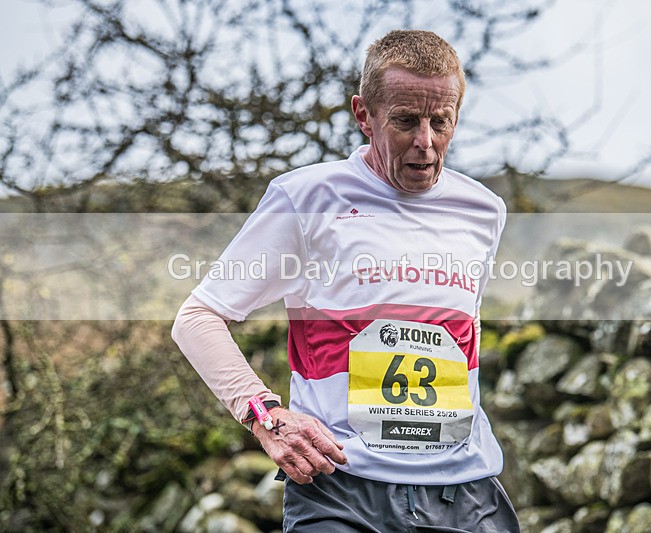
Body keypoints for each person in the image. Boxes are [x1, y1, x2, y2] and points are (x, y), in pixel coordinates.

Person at [172, 29, 520, 532]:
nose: (425, 142)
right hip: (342, 489)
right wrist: (267, 417)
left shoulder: (484, 210)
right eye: (405, 121)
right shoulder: (306, 198)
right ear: (364, 115)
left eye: (440, 122)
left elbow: (461, 336)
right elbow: (197, 318)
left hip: (463, 492)